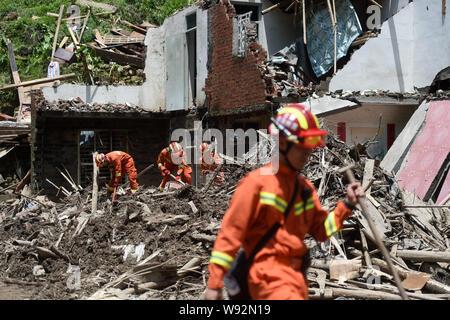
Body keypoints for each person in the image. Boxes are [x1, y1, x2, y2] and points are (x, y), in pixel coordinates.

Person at [205, 103, 365, 300]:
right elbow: (230, 235)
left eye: (309, 145)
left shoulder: (305, 189)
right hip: (267, 280)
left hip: (296, 279)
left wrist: (347, 205)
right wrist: (214, 284)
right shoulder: (256, 184)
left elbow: (321, 230)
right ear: (281, 142)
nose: (307, 152)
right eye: (301, 144)